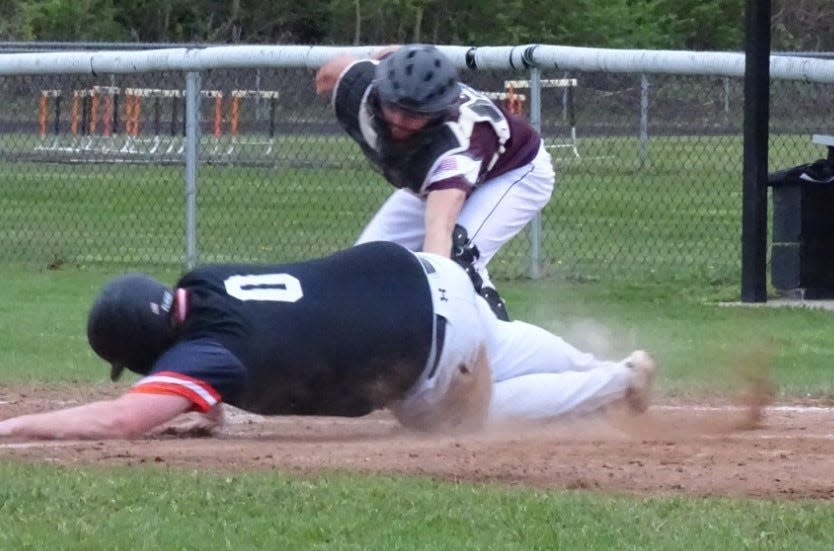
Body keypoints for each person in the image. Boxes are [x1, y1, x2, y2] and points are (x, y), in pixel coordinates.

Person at [0, 241, 655, 440]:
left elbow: (123, 416)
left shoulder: (205, 351)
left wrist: (15, 424)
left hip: (426, 352)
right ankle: (591, 364)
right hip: (428, 276)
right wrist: (207, 411)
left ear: (144, 346)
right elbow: (270, 335)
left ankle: (615, 380)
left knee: (462, 417)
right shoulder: (207, 282)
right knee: (496, 340)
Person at [315, 44, 556, 321]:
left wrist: (440, 306)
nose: (399, 120)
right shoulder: (362, 89)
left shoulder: (454, 146)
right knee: (363, 268)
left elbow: (439, 230)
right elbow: (338, 69)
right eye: (394, 105)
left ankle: (501, 351)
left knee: (456, 260)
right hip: (433, 178)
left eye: (415, 114)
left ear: (437, 111)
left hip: (515, 172)